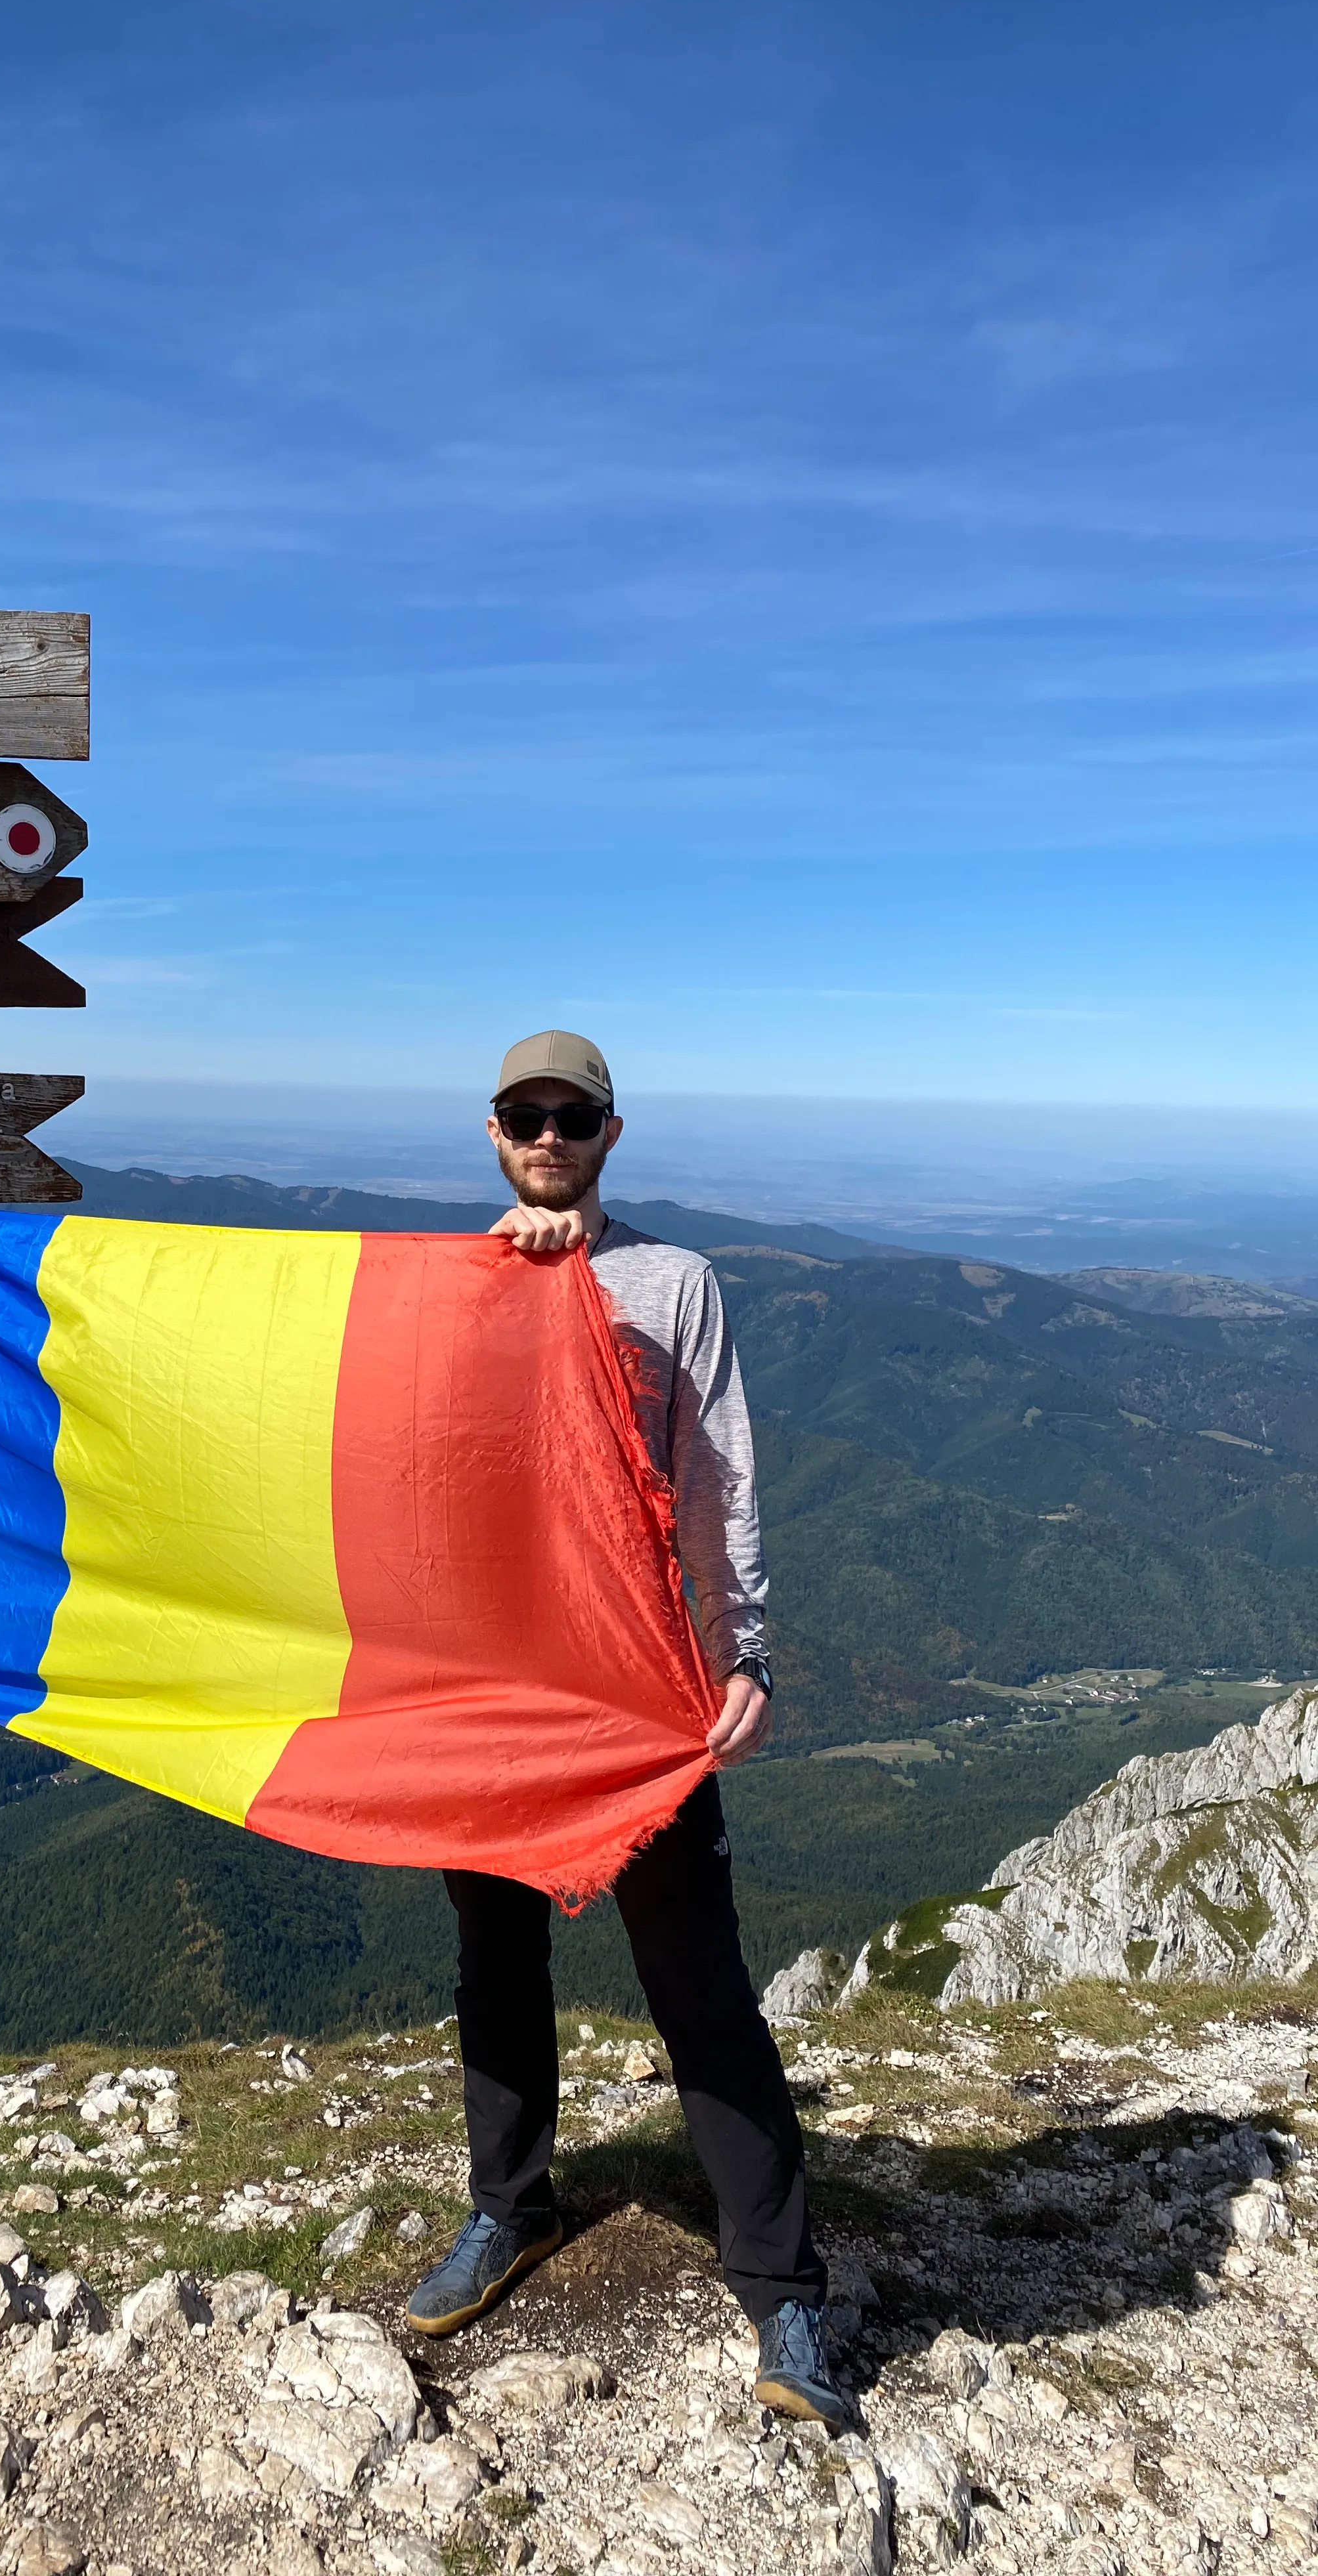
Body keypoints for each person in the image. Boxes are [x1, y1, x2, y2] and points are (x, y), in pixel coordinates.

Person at [403, 1028, 847, 2432]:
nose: (550, 1135)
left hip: (641, 1683)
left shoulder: (677, 1283)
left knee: (696, 1976)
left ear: (609, 1132)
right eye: (525, 1115)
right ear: (492, 1131)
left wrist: (744, 1648)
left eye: (574, 1116)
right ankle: (511, 2207)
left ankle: (782, 2289)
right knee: (495, 1951)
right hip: (495, 1683)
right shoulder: (447, 1288)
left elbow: (718, 1476)